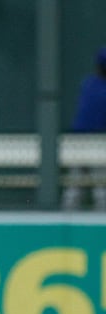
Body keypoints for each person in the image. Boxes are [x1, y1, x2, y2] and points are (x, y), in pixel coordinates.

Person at [62, 46, 106, 210]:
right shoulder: (95, 86)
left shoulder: (88, 83)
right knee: (100, 186)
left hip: (79, 139)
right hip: (95, 140)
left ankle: (66, 218)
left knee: (75, 186)